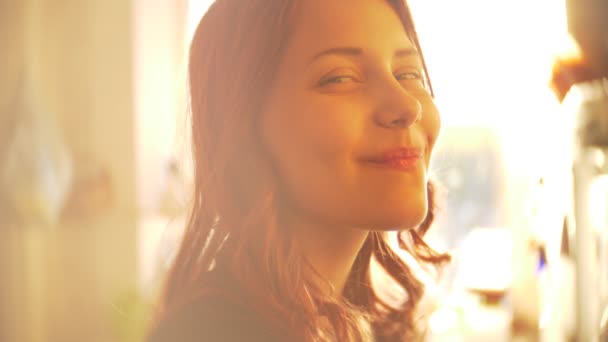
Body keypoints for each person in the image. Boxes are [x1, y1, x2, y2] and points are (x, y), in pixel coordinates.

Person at [147, 0, 449, 340]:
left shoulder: (357, 323)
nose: (407, 106)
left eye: (408, 74)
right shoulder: (212, 333)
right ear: (244, 126)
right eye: (339, 78)